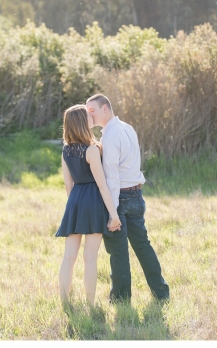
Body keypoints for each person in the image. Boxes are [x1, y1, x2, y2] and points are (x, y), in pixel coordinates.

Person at [85, 94, 170, 302]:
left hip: (120, 197)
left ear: (106, 108)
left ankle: (121, 299)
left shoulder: (111, 136)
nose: (90, 115)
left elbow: (112, 177)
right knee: (142, 245)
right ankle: (161, 293)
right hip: (136, 194)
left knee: (118, 251)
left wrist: (112, 212)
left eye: (92, 110)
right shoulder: (127, 128)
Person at [56, 104, 121, 305]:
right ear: (81, 123)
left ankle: (65, 302)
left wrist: (74, 207)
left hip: (75, 201)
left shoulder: (66, 151)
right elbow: (102, 185)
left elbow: (68, 185)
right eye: (88, 115)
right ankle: (90, 304)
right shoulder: (92, 150)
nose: (91, 117)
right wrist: (114, 214)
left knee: (69, 257)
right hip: (93, 200)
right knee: (90, 257)